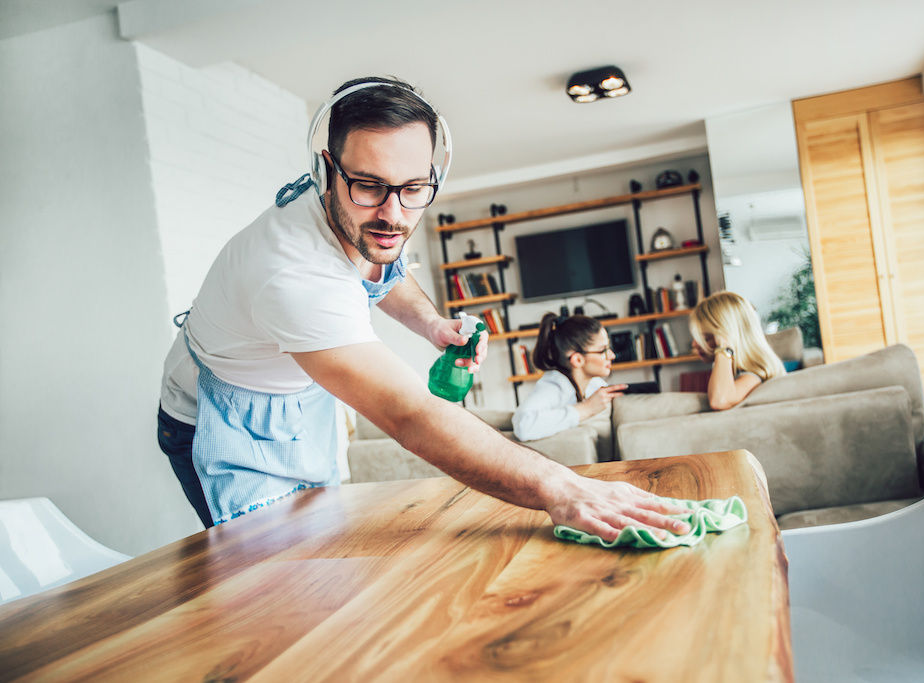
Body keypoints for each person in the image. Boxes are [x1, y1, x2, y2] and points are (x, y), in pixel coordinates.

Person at [157, 76, 689, 542]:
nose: (393, 213)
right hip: (216, 419)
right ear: (326, 169)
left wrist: (432, 325)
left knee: (320, 553)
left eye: (413, 188)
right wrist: (562, 486)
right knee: (275, 584)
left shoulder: (372, 216)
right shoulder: (293, 274)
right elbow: (411, 416)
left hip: (298, 401)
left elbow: (383, 269)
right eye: (368, 185)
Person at [512, 313, 624, 441]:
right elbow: (523, 426)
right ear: (577, 359)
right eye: (602, 350)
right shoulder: (553, 387)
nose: (612, 355)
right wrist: (586, 408)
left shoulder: (595, 384)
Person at [689, 291, 786, 411]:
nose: (694, 344)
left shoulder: (754, 375)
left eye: (706, 338)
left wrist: (724, 348)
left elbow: (719, 401)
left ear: (728, 337)